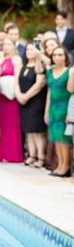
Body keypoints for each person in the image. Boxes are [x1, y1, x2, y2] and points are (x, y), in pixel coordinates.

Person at [16, 43, 47, 168]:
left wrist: (26, 96)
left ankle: (41, 157)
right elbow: (16, 82)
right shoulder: (23, 66)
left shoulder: (39, 66)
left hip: (36, 101)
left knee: (37, 130)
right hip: (23, 102)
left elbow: (39, 84)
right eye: (28, 49)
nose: (29, 51)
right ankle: (31, 154)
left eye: (32, 49)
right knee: (28, 130)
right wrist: (19, 95)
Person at [44, 45, 74, 177]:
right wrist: (46, 111)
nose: (57, 57)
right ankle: (59, 164)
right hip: (53, 107)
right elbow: (49, 92)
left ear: (65, 57)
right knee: (55, 137)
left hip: (65, 107)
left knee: (64, 138)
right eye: (55, 55)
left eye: (60, 55)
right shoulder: (49, 72)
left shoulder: (70, 72)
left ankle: (66, 166)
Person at [0, 38, 24, 163]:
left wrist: (16, 93)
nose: (6, 46)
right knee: (1, 123)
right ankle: (1, 153)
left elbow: (18, 78)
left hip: (11, 96)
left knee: (12, 124)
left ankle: (12, 153)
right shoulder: (0, 58)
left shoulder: (17, 60)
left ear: (13, 46)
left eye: (9, 44)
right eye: (4, 44)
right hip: (1, 95)